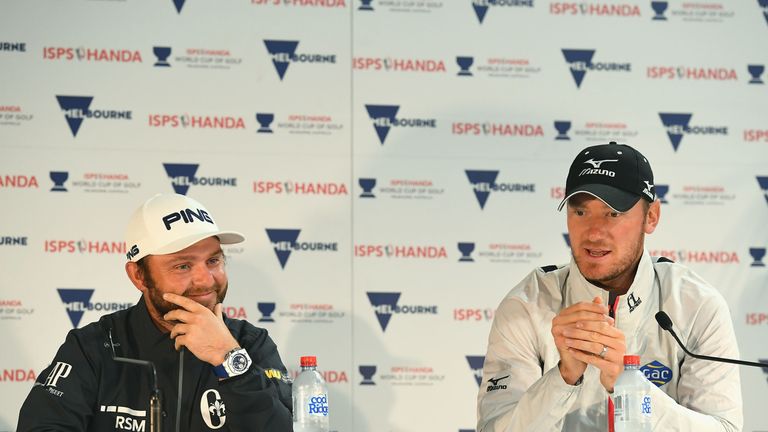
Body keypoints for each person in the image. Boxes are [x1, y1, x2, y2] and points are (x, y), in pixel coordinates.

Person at [477, 142, 743, 431]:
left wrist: (630, 386)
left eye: (613, 213)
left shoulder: (696, 305)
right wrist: (562, 378)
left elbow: (724, 428)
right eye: (580, 212)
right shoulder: (528, 305)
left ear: (651, 216)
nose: (593, 232)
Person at [18, 193, 293, 431]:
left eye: (213, 260)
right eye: (182, 266)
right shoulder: (93, 347)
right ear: (138, 276)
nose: (206, 280)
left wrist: (229, 360)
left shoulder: (250, 344)